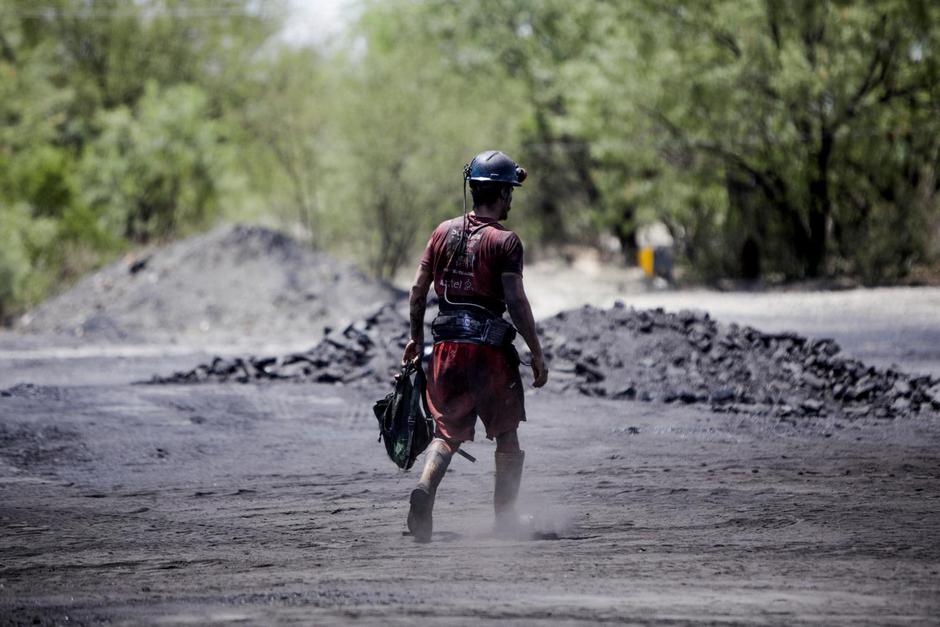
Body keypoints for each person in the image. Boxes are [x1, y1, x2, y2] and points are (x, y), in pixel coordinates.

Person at [400, 149, 548, 543]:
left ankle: (425, 489)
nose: (511, 198)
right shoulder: (506, 242)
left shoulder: (441, 231)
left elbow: (417, 291)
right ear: (500, 194)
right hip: (489, 355)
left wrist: (415, 339)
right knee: (507, 435)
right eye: (510, 191)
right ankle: (505, 520)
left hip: (445, 350)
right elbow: (515, 301)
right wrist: (535, 349)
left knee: (446, 432)